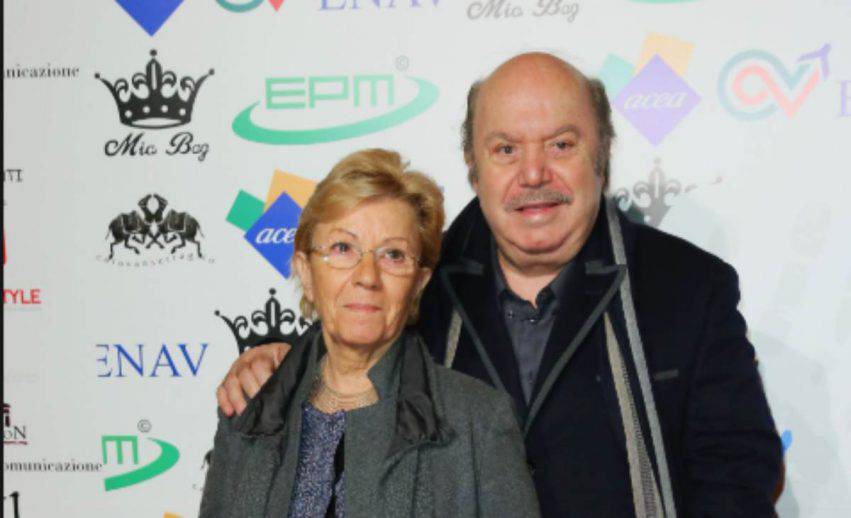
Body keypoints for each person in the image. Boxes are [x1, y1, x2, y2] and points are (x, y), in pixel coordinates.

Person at [217, 53, 782, 517]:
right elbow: (346, 354)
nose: (533, 174)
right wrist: (276, 361)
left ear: (602, 156)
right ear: (473, 165)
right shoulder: (418, 280)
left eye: (561, 144)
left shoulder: (688, 288)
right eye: (506, 149)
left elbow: (737, 477)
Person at [200, 149, 540, 517]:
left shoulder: (479, 421)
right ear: (306, 272)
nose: (367, 276)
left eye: (393, 255)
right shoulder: (249, 406)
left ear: (419, 282)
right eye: (342, 248)